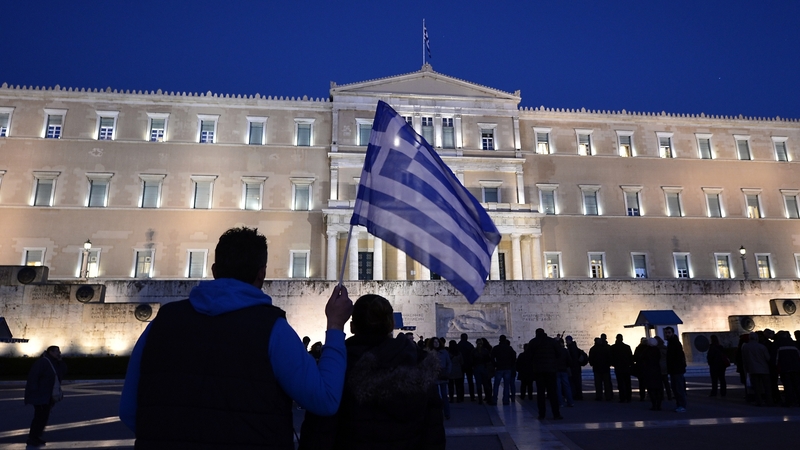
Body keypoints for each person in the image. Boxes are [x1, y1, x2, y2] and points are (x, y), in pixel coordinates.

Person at [119, 227, 354, 448]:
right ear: (261, 274)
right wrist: (335, 326)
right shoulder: (273, 329)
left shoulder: (161, 323)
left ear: (214, 270)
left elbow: (129, 410)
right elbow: (325, 399)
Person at [299, 294, 445, 450]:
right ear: (391, 325)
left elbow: (318, 434)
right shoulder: (420, 366)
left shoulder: (337, 367)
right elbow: (433, 437)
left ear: (352, 327)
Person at [24, 345, 66, 447]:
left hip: (47, 395)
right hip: (41, 395)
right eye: (57, 352)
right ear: (50, 352)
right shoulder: (43, 362)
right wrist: (35, 393)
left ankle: (36, 436)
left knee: (43, 417)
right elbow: (33, 377)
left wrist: (60, 361)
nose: (59, 353)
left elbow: (63, 372)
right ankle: (32, 437)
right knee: (39, 417)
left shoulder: (53, 362)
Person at [529, 328, 563, 420]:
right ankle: (556, 414)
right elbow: (559, 353)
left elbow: (529, 356)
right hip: (551, 370)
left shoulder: (533, 342)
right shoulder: (551, 341)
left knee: (540, 394)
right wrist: (554, 363)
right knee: (553, 393)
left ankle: (542, 414)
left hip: (539, 371)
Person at [741, 331, 773, 406]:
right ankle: (769, 401)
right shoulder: (762, 347)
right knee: (766, 386)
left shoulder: (745, 347)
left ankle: (759, 401)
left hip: (752, 369)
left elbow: (744, 359)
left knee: (756, 387)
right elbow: (768, 358)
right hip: (764, 369)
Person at [664, 327, 688, 412]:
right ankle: (679, 405)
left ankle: (682, 405)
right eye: (666, 332)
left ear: (672, 333)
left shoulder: (675, 344)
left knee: (679, 388)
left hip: (677, 369)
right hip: (674, 369)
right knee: (675, 388)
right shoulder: (671, 343)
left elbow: (678, 357)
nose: (667, 334)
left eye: (669, 332)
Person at [775, 330, 800, 407]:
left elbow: (775, 358)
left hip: (784, 368)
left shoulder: (777, 344)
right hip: (795, 367)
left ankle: (789, 401)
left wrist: (776, 367)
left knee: (787, 385)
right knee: (797, 385)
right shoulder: (794, 344)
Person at [491, 335, 516, 405]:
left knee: (496, 384)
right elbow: (514, 356)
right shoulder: (509, 348)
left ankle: (495, 400)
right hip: (507, 368)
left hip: (499, 368)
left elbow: (491, 357)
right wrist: (511, 364)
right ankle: (505, 400)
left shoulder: (496, 348)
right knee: (506, 385)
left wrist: (495, 364)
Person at [430, 337, 452, 419]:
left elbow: (449, 363)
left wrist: (447, 372)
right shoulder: (429, 352)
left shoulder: (444, 352)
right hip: (434, 376)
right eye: (434, 342)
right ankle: (437, 413)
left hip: (443, 376)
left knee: (444, 395)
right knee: (435, 396)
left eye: (437, 342)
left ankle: (447, 413)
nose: (436, 343)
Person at [642, 338, 664, 411]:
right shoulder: (657, 350)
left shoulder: (646, 351)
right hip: (657, 371)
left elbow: (643, 359)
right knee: (658, 389)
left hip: (649, 371)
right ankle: (659, 405)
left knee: (651, 389)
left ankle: (654, 404)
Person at [610, 334, 633, 403]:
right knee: (627, 383)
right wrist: (630, 364)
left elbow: (611, 357)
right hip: (626, 367)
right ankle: (628, 397)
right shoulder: (627, 347)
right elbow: (630, 357)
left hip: (618, 367)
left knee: (620, 383)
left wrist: (614, 364)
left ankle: (622, 397)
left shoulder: (613, 347)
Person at [473, 338, 494, 405]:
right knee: (486, 384)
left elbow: (471, 361)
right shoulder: (485, 351)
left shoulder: (474, 351)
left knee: (479, 384)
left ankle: (480, 399)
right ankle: (488, 399)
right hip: (484, 368)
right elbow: (488, 360)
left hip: (477, 369)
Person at [565, 336, 587, 400]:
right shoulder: (575, 348)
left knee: (574, 383)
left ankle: (576, 395)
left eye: (567, 340)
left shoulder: (571, 348)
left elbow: (572, 359)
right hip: (576, 368)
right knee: (577, 383)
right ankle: (578, 395)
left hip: (573, 368)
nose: (566, 342)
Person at [457, 333, 476, 401]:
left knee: (460, 382)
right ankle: (472, 396)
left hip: (461, 365)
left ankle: (461, 396)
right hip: (468, 365)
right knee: (470, 381)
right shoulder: (469, 345)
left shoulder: (458, 345)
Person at [555, 339, 574, 407]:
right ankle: (570, 402)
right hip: (564, 370)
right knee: (567, 387)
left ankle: (560, 403)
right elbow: (569, 360)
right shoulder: (565, 350)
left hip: (556, 371)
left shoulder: (554, 351)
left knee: (558, 388)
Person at [632, 337, 648, 401]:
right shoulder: (648, 348)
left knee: (641, 383)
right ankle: (650, 395)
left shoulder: (638, 348)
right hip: (648, 367)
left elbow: (635, 357)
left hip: (640, 367)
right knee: (649, 382)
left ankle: (642, 396)